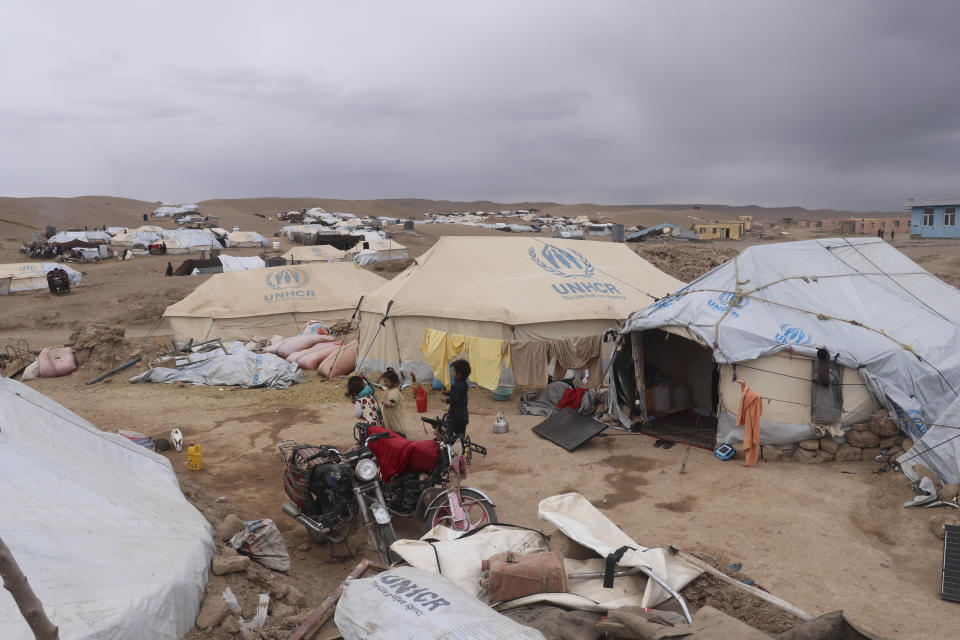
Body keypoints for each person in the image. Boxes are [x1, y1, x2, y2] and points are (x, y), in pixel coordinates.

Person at [443, 360, 471, 438]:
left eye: (454, 371)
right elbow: (456, 393)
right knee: (461, 433)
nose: (452, 373)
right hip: (463, 415)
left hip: (455, 415)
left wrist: (446, 400)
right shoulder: (463, 384)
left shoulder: (457, 385)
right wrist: (447, 393)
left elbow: (455, 398)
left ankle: (451, 446)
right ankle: (461, 445)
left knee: (451, 432)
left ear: (459, 374)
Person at [379, 368, 407, 436]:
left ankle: (400, 434)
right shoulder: (388, 390)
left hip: (393, 412)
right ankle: (391, 433)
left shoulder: (395, 391)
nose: (384, 383)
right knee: (389, 423)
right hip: (388, 412)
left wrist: (388, 404)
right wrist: (384, 402)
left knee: (395, 423)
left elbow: (393, 400)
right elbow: (385, 398)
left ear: (393, 381)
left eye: (386, 381)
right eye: (384, 381)